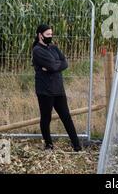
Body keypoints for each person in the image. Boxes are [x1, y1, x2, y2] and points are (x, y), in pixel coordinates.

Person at [32, 24, 81, 152]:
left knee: (66, 117)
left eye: (51, 34)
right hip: (45, 90)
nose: (50, 37)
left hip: (58, 88)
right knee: (46, 118)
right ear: (40, 35)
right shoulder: (37, 50)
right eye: (47, 35)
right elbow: (55, 66)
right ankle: (49, 145)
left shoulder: (54, 48)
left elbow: (65, 63)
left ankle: (77, 146)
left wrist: (53, 65)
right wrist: (54, 65)